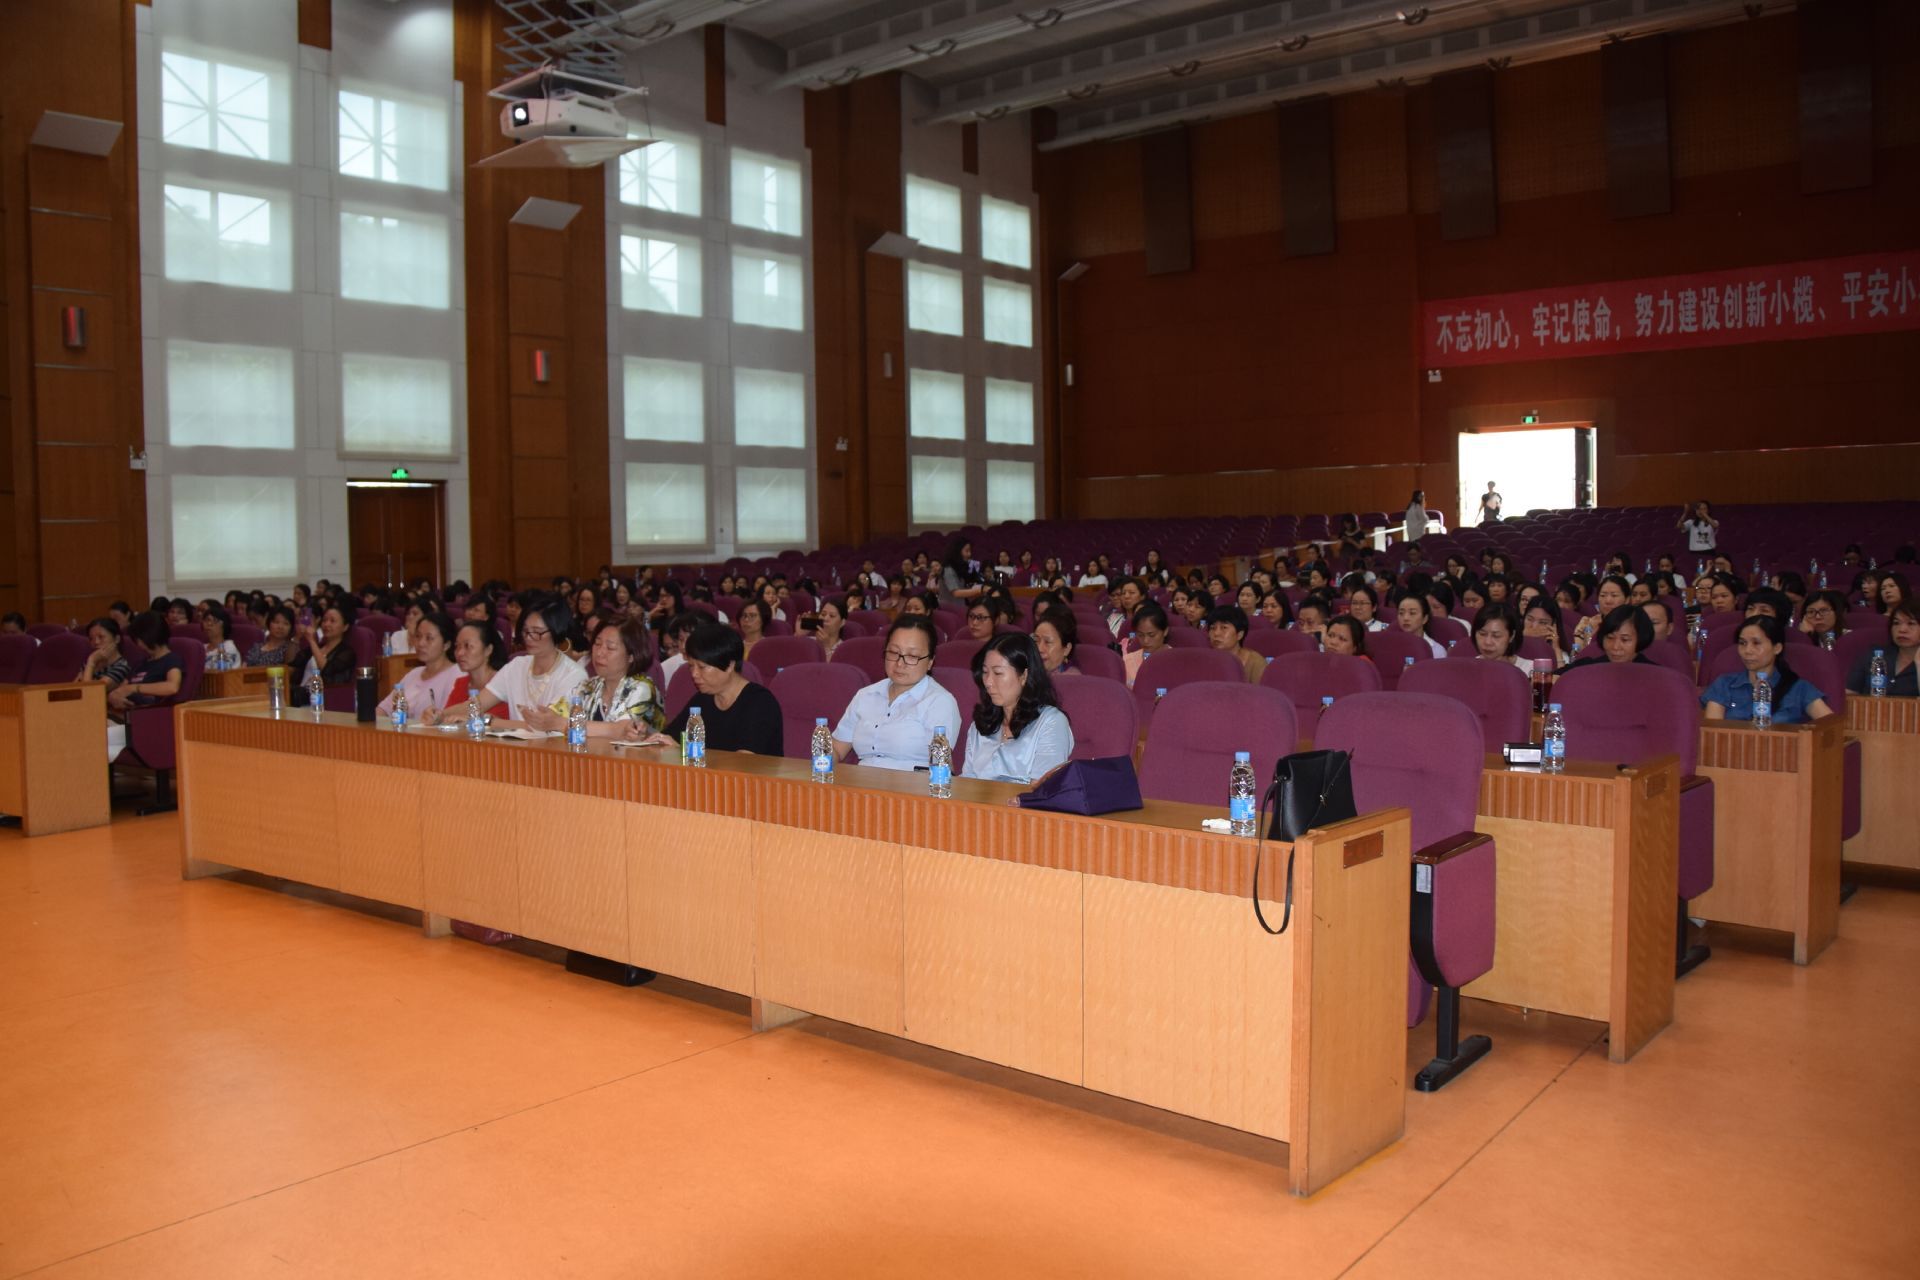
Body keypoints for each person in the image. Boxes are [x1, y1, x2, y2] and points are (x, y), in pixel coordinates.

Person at [829, 616, 961, 771]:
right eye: (893, 652)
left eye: (912, 656)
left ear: (930, 661)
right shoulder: (865, 695)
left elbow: (941, 767)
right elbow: (837, 749)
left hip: (911, 790)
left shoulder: (939, 701)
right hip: (861, 787)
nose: (900, 663)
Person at [640, 622, 783, 756]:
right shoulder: (702, 700)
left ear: (729, 665)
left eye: (702, 667)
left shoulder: (761, 703)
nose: (694, 674)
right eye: (691, 666)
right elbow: (670, 737)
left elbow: (744, 762)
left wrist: (683, 751)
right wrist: (646, 735)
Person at [961, 633, 1074, 784]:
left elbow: (1042, 792)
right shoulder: (981, 724)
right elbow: (967, 783)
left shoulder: (1050, 722)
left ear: (1024, 675)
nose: (988, 682)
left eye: (998, 673)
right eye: (985, 672)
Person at [472, 597, 586, 731]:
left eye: (537, 632)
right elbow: (478, 704)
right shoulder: (517, 666)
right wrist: (443, 714)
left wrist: (490, 721)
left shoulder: (574, 675)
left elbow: (544, 726)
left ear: (556, 632)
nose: (528, 637)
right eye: (526, 631)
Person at [1702, 615, 1832, 723]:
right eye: (1742, 643)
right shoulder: (1724, 685)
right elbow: (1714, 733)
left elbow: (1830, 728)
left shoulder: (1799, 688)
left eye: (1756, 643)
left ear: (1777, 648)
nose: (1747, 651)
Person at [557, 619, 664, 737]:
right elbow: (554, 714)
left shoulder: (643, 689)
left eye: (610, 648)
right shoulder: (588, 686)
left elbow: (623, 729)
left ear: (631, 656)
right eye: (597, 644)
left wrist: (560, 724)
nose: (599, 653)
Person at [376, 612, 461, 720]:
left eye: (429, 638)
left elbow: (448, 719)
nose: (421, 643)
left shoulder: (457, 675)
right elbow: (384, 709)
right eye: (418, 636)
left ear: (446, 644)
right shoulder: (414, 673)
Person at [108, 613, 184, 717]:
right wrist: (114, 696)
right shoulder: (141, 663)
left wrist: (133, 688)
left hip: (151, 715)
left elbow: (172, 687)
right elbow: (122, 688)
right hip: (126, 713)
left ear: (151, 636)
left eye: (139, 639)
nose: (138, 644)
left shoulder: (171, 660)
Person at [1845, 603, 1918, 697]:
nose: (1902, 629)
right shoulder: (1873, 655)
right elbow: (1850, 693)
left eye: (1911, 623)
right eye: (1896, 623)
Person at [292, 604, 357, 706]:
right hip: (299, 695)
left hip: (321, 700)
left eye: (332, 621)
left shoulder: (347, 652)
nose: (326, 624)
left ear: (345, 627)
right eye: (324, 620)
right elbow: (293, 663)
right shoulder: (317, 647)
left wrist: (312, 641)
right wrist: (297, 638)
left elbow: (326, 669)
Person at [1560, 606, 1655, 671]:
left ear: (1641, 639)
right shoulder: (1589, 667)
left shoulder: (1655, 674)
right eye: (1610, 638)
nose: (1615, 647)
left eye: (1625, 639)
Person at [1473, 603, 1530, 672]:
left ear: (1512, 636)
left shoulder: (1531, 670)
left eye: (1496, 636)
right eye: (1482, 634)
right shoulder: (1468, 668)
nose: (1488, 642)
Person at [78, 617, 132, 690]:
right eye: (91, 639)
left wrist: (91, 662)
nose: (96, 642)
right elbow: (73, 690)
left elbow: (88, 693)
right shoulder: (92, 662)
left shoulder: (122, 666)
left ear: (117, 639)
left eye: (101, 637)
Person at [1393, 591, 1449, 658]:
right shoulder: (1391, 645)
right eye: (1401, 613)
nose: (1405, 618)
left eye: (1412, 613)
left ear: (1425, 619)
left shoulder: (1436, 651)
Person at [939, 535, 986, 609]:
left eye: (970, 551)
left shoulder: (961, 567)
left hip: (959, 607)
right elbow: (956, 593)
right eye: (967, 551)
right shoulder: (948, 569)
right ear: (957, 552)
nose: (969, 554)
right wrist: (979, 590)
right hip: (949, 609)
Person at [1522, 601, 1569, 667]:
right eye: (1529, 619)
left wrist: (1556, 649)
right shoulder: (1510, 645)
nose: (1534, 626)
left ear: (1553, 625)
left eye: (1543, 623)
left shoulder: (1561, 655)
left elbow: (1560, 675)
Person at [1033, 611, 1079, 676]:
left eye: (1047, 642)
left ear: (1066, 649)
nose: (1039, 649)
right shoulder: (1025, 671)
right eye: (1036, 640)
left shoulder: (1071, 679)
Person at [736, 598, 772, 663]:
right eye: (744, 615)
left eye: (752, 616)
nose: (746, 620)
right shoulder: (734, 646)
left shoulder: (769, 647)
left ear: (763, 619)